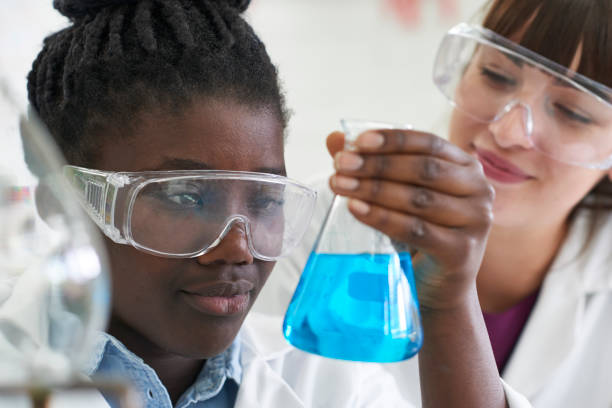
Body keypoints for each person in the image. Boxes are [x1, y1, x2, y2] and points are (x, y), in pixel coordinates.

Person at [0, 0, 536, 406]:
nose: (237, 249)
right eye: (184, 195)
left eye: (264, 200)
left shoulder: (324, 380)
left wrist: (447, 305)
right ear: (62, 201)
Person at [261, 0, 612, 406]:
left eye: (572, 112)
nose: (507, 131)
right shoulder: (320, 222)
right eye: (495, 75)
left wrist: (449, 305)